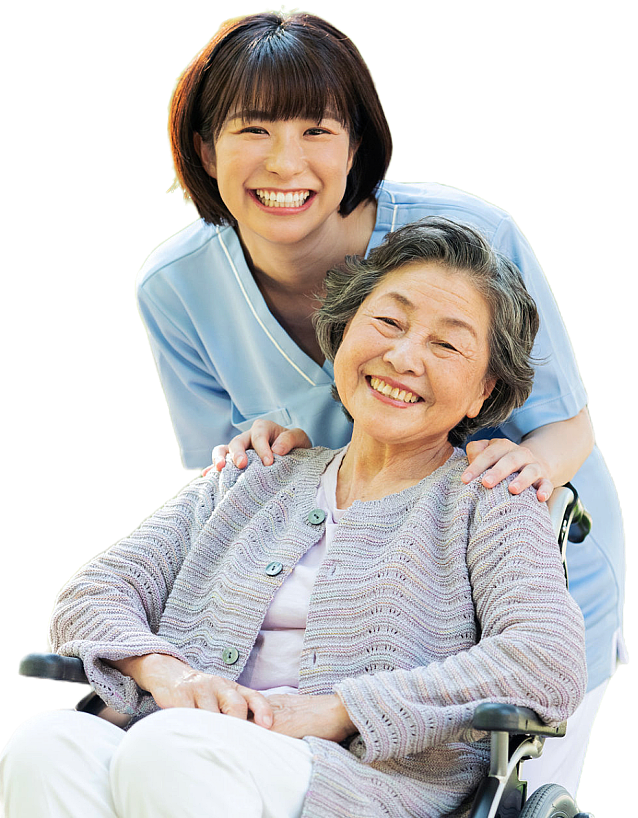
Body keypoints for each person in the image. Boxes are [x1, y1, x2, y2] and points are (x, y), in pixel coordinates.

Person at [134, 9, 624, 796]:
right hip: (328, 607)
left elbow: (568, 426)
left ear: (356, 143)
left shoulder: (468, 233)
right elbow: (227, 485)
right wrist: (259, 437)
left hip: (493, 572)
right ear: (202, 147)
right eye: (252, 130)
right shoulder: (176, 285)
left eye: (316, 130)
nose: (284, 163)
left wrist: (517, 473)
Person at [1, 219, 587, 818]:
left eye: (447, 345)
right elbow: (93, 593)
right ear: (342, 333)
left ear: (482, 395)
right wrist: (165, 675)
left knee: (171, 748)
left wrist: (343, 709)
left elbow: (544, 657)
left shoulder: (489, 499)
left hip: (363, 782)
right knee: (46, 742)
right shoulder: (258, 471)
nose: (404, 356)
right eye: (388, 322)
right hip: (181, 736)